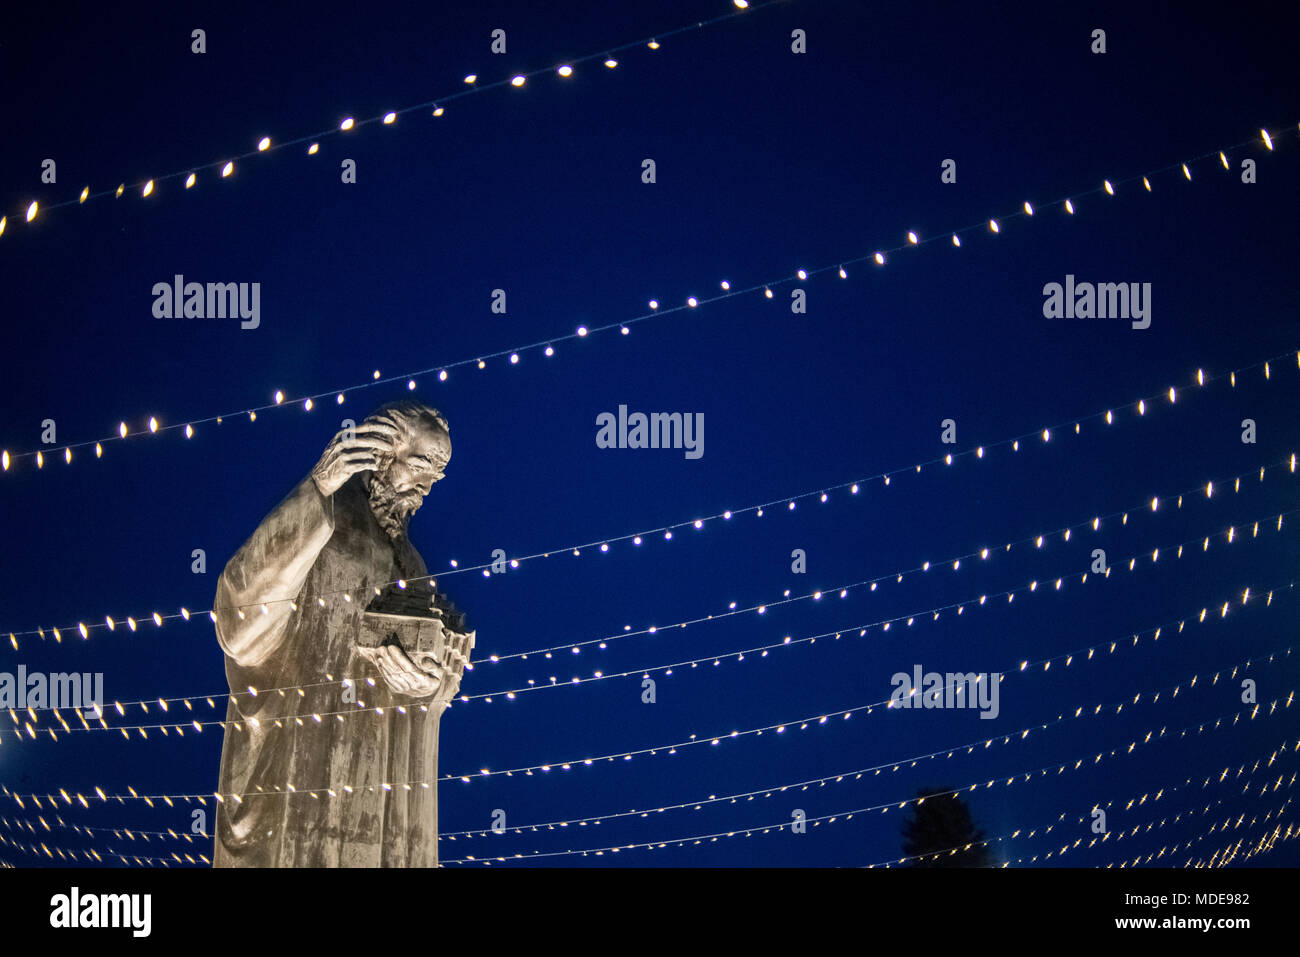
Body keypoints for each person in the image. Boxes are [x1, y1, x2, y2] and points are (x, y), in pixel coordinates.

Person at [211, 400, 469, 866]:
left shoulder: (412, 564)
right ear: (381, 451)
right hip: (302, 765)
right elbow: (239, 617)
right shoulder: (323, 514)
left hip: (380, 795)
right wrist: (318, 489)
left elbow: (441, 671)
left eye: (440, 471)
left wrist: (430, 685)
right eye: (423, 463)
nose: (430, 482)